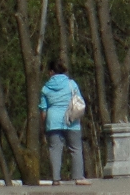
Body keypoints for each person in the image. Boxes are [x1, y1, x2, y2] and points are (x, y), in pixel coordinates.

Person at [39, 57, 88, 185]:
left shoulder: (45, 88)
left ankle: (56, 179)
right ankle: (78, 177)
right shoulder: (72, 84)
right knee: (76, 148)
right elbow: (79, 100)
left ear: (51, 72)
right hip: (71, 120)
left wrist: (43, 125)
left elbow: (43, 109)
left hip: (53, 121)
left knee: (55, 150)